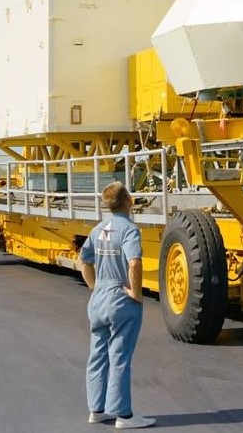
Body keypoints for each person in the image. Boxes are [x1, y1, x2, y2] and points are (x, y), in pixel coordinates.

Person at [79, 182, 155, 429]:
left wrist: (94, 287)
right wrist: (136, 293)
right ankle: (124, 414)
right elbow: (134, 263)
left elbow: (83, 259)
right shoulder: (129, 230)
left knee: (97, 354)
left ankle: (97, 409)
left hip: (99, 298)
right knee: (119, 355)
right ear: (129, 201)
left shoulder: (97, 229)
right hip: (121, 300)